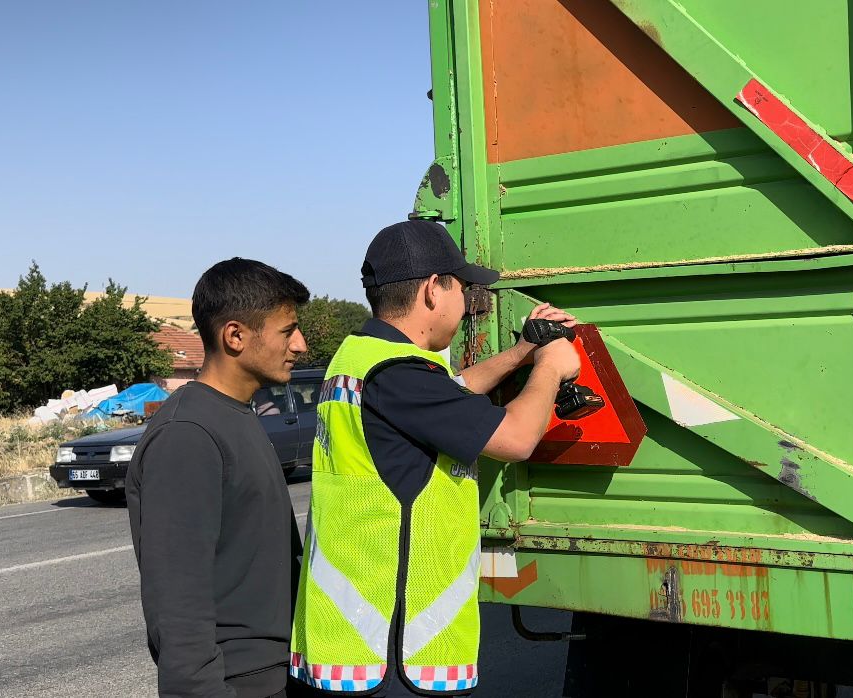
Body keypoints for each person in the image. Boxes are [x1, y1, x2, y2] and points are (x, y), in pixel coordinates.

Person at [289, 220, 581, 696]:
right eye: (463, 289)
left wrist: (521, 353)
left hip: (349, 652)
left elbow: (450, 396)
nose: (467, 305)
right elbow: (516, 438)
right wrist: (550, 366)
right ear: (432, 290)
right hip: (396, 660)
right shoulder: (398, 375)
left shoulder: (361, 359)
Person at [127, 258, 311, 697]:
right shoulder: (187, 436)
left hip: (280, 673)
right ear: (235, 335)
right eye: (288, 331)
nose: (301, 345)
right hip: (241, 683)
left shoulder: (235, 414)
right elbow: (178, 605)